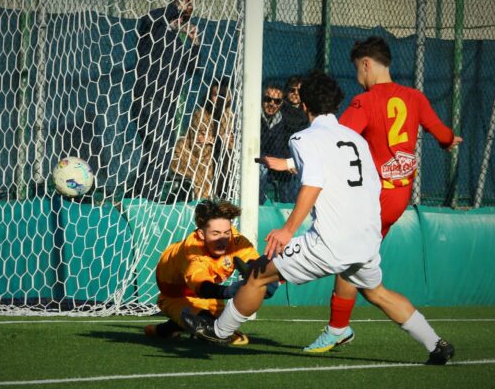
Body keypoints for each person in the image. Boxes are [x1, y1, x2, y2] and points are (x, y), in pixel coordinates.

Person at [181, 70, 455, 365]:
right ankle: (435, 343)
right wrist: (288, 164)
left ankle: (220, 331)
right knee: (377, 293)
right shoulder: (355, 138)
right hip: (366, 239)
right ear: (336, 104)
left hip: (330, 243)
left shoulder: (302, 137)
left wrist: (287, 230)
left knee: (259, 277)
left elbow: (314, 182)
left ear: (303, 105)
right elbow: (355, 178)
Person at [257, 37, 463, 353]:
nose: (357, 77)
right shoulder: (415, 97)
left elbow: (333, 144)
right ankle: (423, 341)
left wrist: (287, 163)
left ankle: (288, 292)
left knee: (350, 260)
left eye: (357, 69)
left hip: (371, 198)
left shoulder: (364, 102)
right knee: (355, 265)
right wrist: (450, 142)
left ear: (366, 64)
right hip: (399, 198)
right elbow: (442, 133)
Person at [144, 199, 270, 345]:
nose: (222, 239)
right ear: (201, 234)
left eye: (226, 232)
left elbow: (253, 260)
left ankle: (165, 329)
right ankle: (163, 328)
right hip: (175, 293)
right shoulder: (193, 255)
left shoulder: (234, 239)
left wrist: (264, 279)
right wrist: (229, 291)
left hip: (207, 289)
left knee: (226, 328)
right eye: (215, 233)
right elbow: (203, 287)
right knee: (209, 327)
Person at [129, 0, 201, 201]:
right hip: (149, 98)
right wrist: (176, 6)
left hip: (168, 103)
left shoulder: (177, 42)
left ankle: (141, 195)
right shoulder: (154, 31)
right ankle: (145, 197)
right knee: (159, 149)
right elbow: (147, 20)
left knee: (160, 151)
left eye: (187, 15)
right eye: (181, 11)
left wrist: (194, 44)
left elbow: (192, 68)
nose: (183, 17)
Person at [259, 82, 308, 204]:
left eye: (276, 101)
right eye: (268, 99)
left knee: (293, 169)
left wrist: (287, 163)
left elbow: (278, 147)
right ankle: (257, 206)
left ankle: (288, 207)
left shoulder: (280, 120)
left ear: (281, 103)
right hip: (257, 160)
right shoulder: (254, 116)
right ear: (261, 99)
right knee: (261, 169)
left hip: (272, 160)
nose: (272, 103)